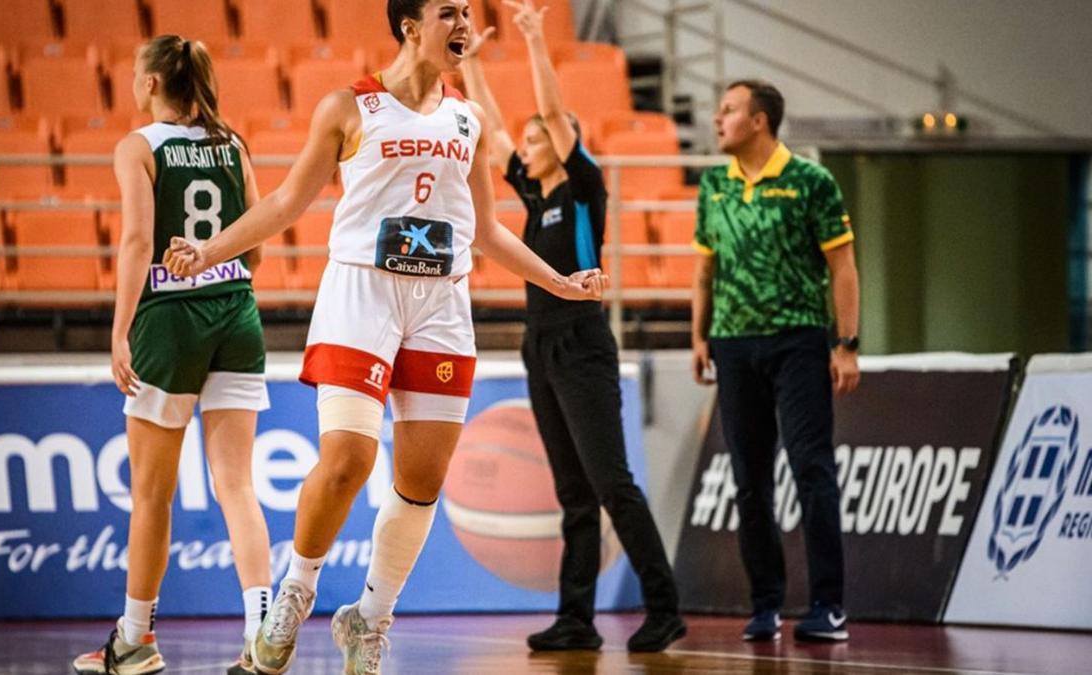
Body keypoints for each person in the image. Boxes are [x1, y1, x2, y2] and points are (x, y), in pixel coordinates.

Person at [163, 1, 606, 673]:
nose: (463, 24)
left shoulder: (469, 118)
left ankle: (369, 619)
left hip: (441, 303)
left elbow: (485, 230)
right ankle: (298, 589)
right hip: (362, 292)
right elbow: (284, 202)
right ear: (409, 25)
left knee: (421, 480)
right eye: (448, 12)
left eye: (466, 12)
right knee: (347, 460)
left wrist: (561, 281)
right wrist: (207, 251)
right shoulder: (350, 107)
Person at [459, 0, 685, 653]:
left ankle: (664, 604)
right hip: (541, 345)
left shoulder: (583, 187)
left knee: (611, 480)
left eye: (538, 143)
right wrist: (474, 64)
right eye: (529, 144)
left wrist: (533, 40)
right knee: (572, 491)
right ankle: (576, 619)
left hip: (583, 344)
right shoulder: (536, 196)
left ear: (561, 147)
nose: (524, 149)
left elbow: (550, 117)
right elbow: (496, 131)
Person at [72, 36, 273, 675]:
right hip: (238, 311)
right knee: (237, 484)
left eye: (136, 75)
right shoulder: (232, 142)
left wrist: (119, 328)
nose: (133, 85)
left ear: (154, 83)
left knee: (152, 495)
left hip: (170, 318)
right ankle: (263, 632)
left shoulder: (138, 146)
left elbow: (136, 242)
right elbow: (258, 247)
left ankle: (136, 638)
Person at [692, 80, 860, 642]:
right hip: (733, 344)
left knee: (812, 469)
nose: (717, 120)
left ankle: (828, 606)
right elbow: (704, 269)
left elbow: (843, 268)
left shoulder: (811, 181)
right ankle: (765, 604)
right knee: (749, 479)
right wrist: (699, 336)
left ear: (759, 121)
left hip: (799, 341)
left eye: (729, 110)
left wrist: (847, 344)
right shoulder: (713, 185)